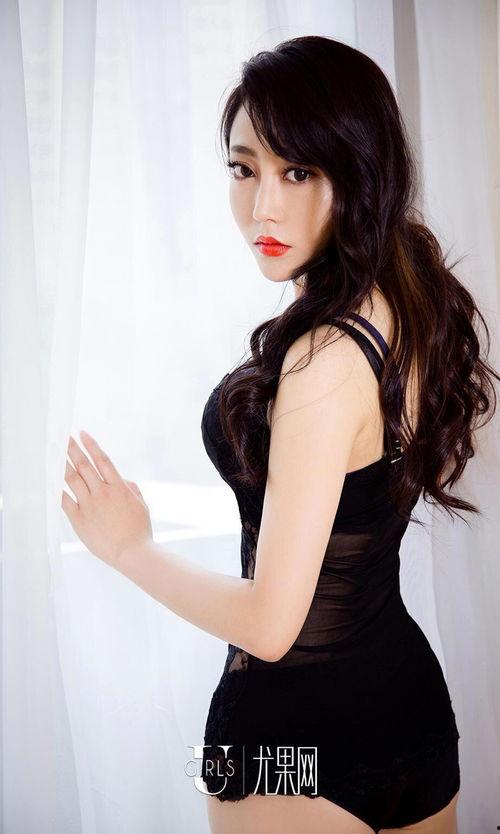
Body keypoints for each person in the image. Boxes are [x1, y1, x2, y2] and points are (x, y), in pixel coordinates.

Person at [62, 35, 500, 834]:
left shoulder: (324, 356)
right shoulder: (403, 299)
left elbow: (271, 626)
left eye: (298, 171)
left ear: (358, 171)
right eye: (244, 169)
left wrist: (129, 548)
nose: (263, 207)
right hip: (410, 718)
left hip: (289, 741)